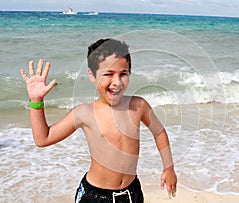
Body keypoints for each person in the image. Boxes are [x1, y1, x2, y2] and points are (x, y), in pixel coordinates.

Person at [20, 38, 177, 203]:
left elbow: (159, 132)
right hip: (95, 196)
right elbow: (43, 138)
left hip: (132, 193)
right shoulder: (84, 113)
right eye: (108, 74)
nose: (117, 82)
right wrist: (36, 101)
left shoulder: (139, 106)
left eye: (123, 74)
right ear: (92, 74)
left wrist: (169, 167)